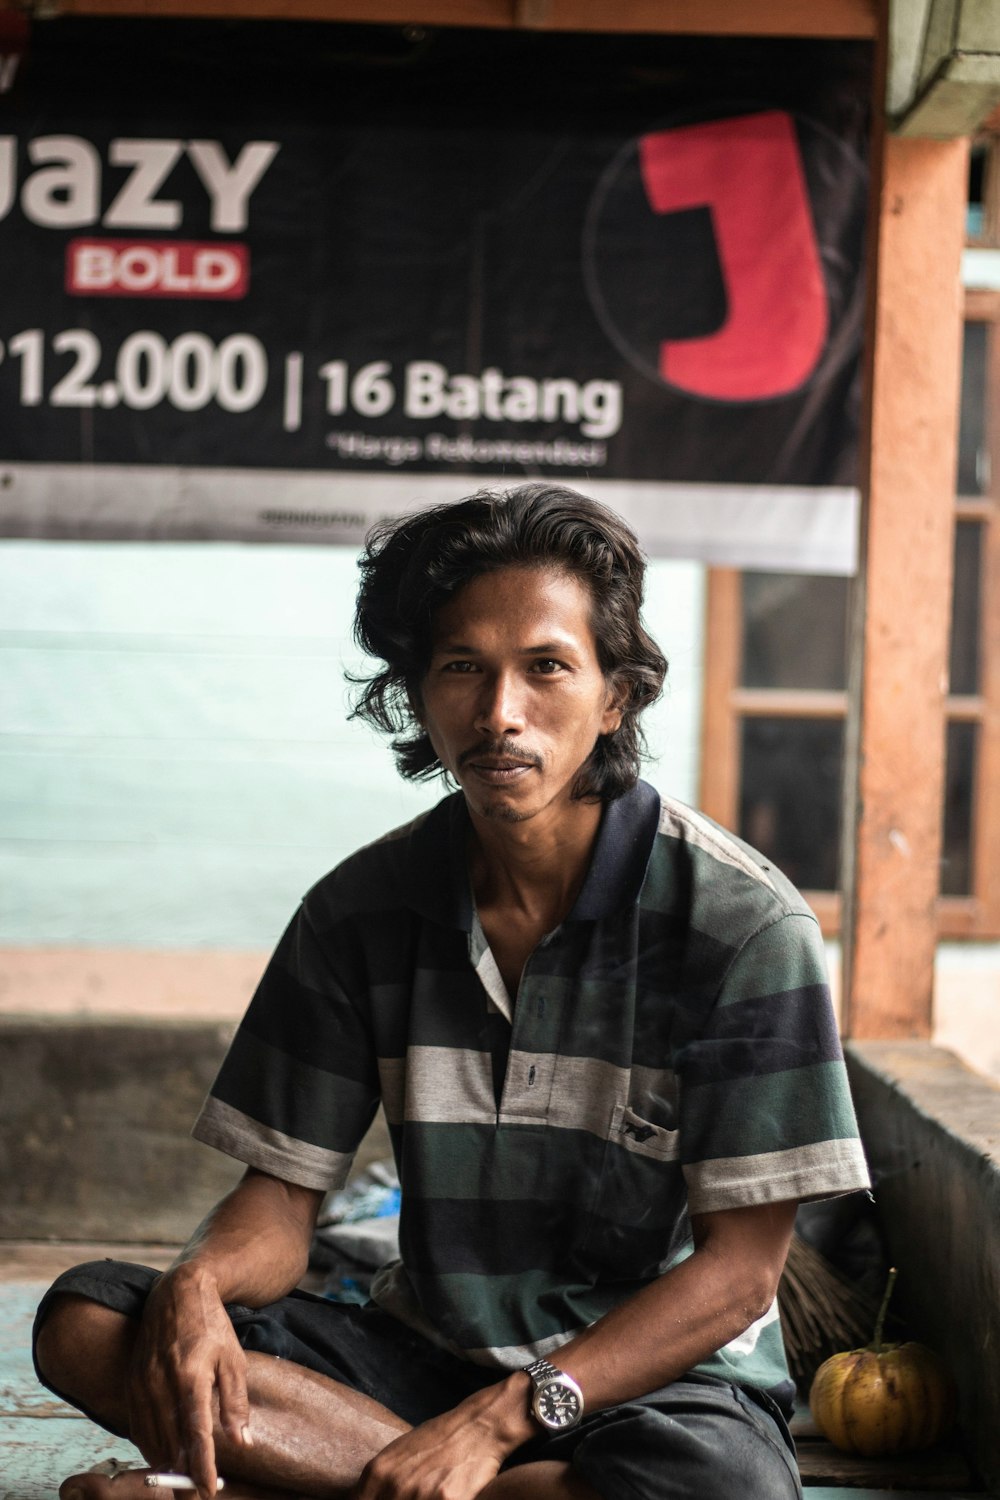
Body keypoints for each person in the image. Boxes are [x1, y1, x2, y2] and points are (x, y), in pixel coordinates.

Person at [34, 483, 870, 1500]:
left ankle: (299, 1483)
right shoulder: (357, 915)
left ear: (614, 696)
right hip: (419, 1358)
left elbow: (738, 1275)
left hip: (648, 1384)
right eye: (461, 668)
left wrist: (499, 1421)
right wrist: (198, 1286)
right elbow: (282, 1201)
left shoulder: (742, 928)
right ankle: (444, 1484)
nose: (499, 713)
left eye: (546, 667)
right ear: (417, 698)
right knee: (90, 1321)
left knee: (722, 1488)